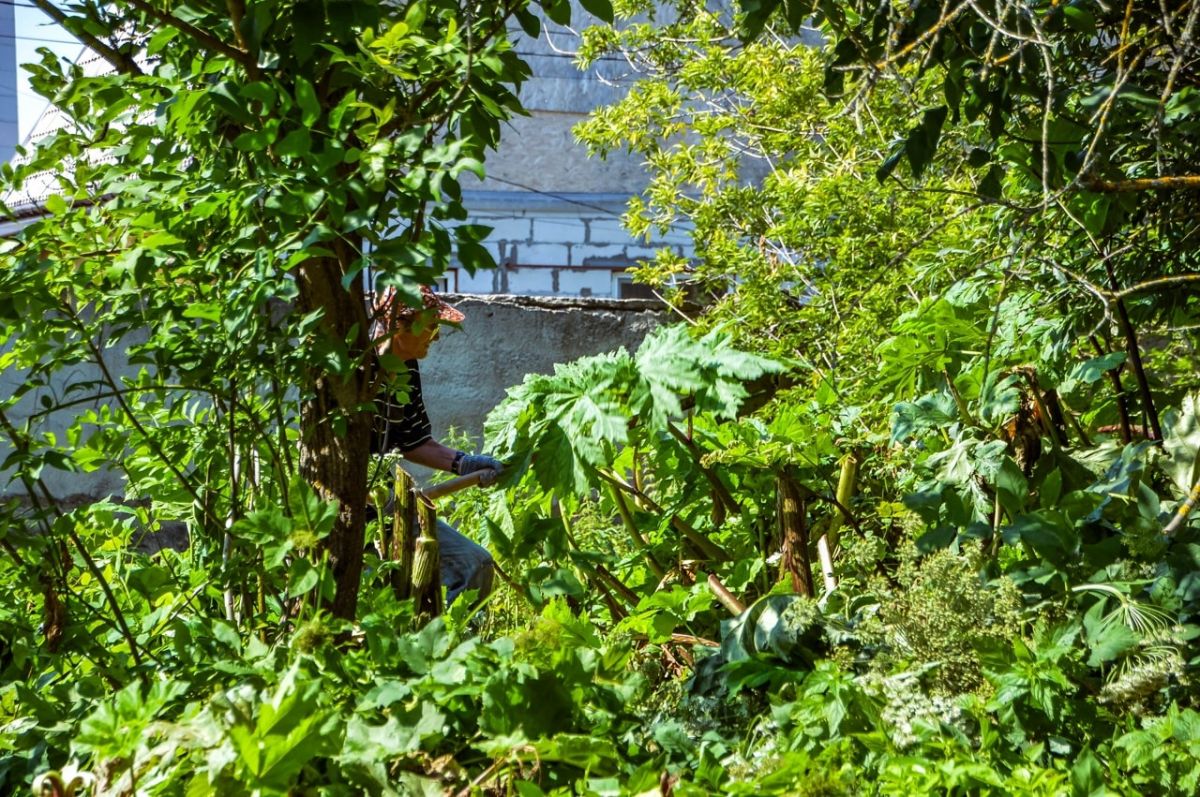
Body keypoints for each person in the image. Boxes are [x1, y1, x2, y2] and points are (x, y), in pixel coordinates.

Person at [369, 284, 502, 605]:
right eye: (430, 327)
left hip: (384, 502)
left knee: (475, 565)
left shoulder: (406, 368)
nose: (437, 337)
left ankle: (452, 637)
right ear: (397, 325)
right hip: (351, 508)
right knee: (378, 592)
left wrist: (464, 463)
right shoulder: (358, 368)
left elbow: (413, 440)